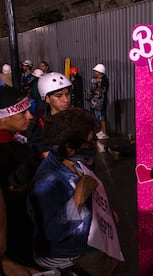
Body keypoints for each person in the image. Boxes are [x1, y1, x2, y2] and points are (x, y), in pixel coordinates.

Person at [27, 108, 119, 275]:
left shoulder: (75, 161)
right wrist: (78, 198)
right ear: (69, 148)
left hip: (92, 246)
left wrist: (106, 213)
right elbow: (52, 231)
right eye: (90, 141)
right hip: (70, 259)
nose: (94, 145)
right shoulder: (47, 183)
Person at [0, 86, 39, 275]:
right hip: (12, 244)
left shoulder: (16, 142)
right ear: (3, 117)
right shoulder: (4, 154)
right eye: (23, 113)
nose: (30, 116)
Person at [29, 72, 72, 160]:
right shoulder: (41, 125)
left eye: (67, 94)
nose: (65, 100)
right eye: (59, 96)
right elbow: (41, 149)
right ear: (47, 99)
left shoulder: (78, 117)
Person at [87, 63, 109, 140]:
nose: (94, 73)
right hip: (97, 103)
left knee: (100, 118)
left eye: (96, 71)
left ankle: (102, 133)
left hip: (99, 103)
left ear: (100, 72)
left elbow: (101, 92)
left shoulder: (103, 81)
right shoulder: (100, 80)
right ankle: (102, 133)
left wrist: (92, 92)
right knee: (101, 118)